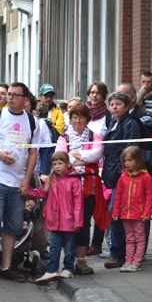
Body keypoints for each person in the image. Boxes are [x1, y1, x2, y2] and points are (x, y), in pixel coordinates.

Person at [0, 82, 45, 282]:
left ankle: (6, 267)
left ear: (25, 100)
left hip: (18, 182)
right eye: (9, 94)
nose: (10, 97)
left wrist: (27, 179)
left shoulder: (33, 122)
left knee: (13, 226)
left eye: (15, 95)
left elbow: (33, 153)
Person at [57, 103, 104, 275]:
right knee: (68, 223)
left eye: (81, 117)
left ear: (87, 119)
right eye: (74, 117)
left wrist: (76, 156)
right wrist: (83, 158)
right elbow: (61, 158)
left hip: (88, 188)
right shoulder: (64, 137)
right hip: (68, 188)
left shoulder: (95, 135)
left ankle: (81, 260)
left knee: (84, 223)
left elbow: (97, 154)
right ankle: (69, 259)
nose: (77, 120)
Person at [100, 91, 145, 269]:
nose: (115, 107)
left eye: (119, 104)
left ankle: (118, 254)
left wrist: (124, 175)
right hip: (111, 177)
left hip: (124, 179)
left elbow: (130, 151)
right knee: (115, 215)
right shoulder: (113, 124)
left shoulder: (130, 124)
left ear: (126, 107)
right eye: (112, 104)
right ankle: (121, 252)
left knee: (117, 215)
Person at [31, 151, 84, 285]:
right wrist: (29, 191)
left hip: (69, 220)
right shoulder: (52, 179)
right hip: (54, 220)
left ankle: (68, 268)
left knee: (69, 246)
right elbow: (42, 192)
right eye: (54, 164)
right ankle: (52, 269)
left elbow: (78, 203)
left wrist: (78, 221)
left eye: (60, 163)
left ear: (67, 164)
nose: (57, 166)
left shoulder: (74, 180)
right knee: (54, 246)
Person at [113, 145, 152, 272]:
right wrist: (116, 212)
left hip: (139, 214)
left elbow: (149, 197)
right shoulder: (123, 177)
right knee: (129, 238)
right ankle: (128, 260)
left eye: (130, 160)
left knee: (140, 238)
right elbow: (118, 196)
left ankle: (137, 261)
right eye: (125, 161)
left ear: (138, 160)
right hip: (126, 213)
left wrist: (147, 212)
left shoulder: (146, 177)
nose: (127, 163)